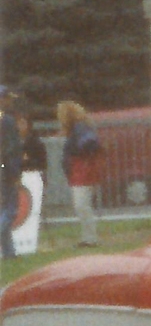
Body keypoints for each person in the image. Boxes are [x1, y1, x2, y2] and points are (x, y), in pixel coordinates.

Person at [57, 101, 103, 247]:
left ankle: (90, 238)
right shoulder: (81, 126)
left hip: (82, 170)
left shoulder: (80, 127)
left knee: (81, 204)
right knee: (83, 205)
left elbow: (90, 144)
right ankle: (88, 236)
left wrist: (79, 154)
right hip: (81, 170)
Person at [1, 86, 21, 260]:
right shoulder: (6, 120)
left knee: (3, 210)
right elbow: (12, 149)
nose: (9, 102)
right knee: (10, 210)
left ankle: (9, 253)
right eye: (7, 98)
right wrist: (15, 172)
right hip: (5, 169)